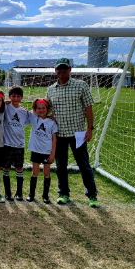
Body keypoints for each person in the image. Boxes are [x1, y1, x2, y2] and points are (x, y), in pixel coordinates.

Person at [46, 58, 98, 207]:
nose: (61, 71)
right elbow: (45, 110)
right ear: (55, 70)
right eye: (59, 68)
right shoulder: (51, 89)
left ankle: (92, 194)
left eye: (64, 68)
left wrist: (89, 129)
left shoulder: (80, 85)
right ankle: (63, 193)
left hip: (78, 134)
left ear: (70, 69)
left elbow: (88, 108)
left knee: (84, 165)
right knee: (61, 166)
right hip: (59, 135)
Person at [25, 98, 58, 203]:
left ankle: (45, 196)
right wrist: (8, 102)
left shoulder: (52, 122)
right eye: (38, 108)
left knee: (46, 173)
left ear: (47, 109)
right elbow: (22, 110)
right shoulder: (34, 118)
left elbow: (54, 139)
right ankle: (31, 194)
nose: (41, 110)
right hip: (35, 151)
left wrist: (52, 154)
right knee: (35, 172)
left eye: (43, 108)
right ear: (35, 109)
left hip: (47, 152)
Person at [2, 86, 31, 201]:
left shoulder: (24, 112)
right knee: (6, 167)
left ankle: (19, 193)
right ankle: (8, 193)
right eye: (13, 96)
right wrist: (4, 101)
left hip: (19, 144)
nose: (15, 98)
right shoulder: (6, 107)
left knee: (19, 167)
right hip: (7, 144)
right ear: (9, 97)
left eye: (18, 96)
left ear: (22, 98)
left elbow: (29, 121)